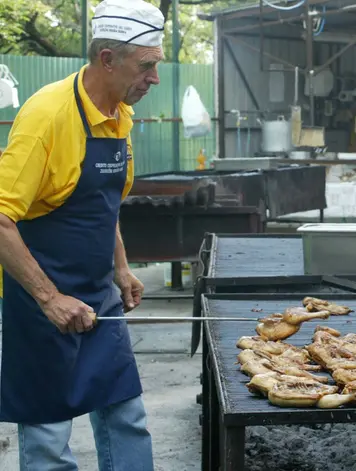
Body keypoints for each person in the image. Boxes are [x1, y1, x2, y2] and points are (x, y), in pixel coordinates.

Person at [0, 0, 165, 468]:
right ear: (107, 59)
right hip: (39, 301)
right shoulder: (46, 117)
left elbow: (100, 200)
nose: (154, 77)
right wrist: (51, 300)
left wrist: (121, 267)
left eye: (157, 65)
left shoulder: (119, 113)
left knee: (127, 415)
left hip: (99, 293)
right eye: (146, 66)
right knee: (49, 435)